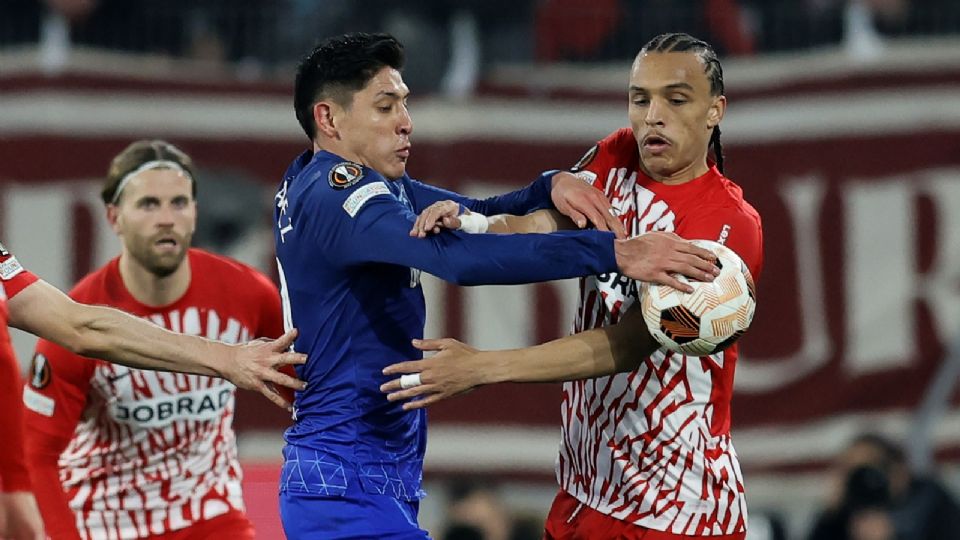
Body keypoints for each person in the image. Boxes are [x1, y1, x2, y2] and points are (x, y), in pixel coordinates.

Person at [274, 32, 720, 539]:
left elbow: (479, 217)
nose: (405, 121)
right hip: (345, 483)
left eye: (404, 103)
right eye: (384, 106)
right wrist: (615, 252)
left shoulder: (341, 180)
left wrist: (547, 184)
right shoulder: (341, 197)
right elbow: (461, 260)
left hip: (363, 475)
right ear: (328, 118)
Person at [382, 32, 764, 539]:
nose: (653, 116)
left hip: (675, 507)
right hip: (585, 489)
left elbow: (627, 345)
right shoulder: (618, 154)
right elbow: (547, 226)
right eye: (639, 97)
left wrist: (484, 366)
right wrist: (472, 222)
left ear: (715, 109)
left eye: (676, 99)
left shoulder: (726, 224)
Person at [17, 140, 285, 539]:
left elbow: (308, 386)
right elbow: (38, 453)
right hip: (108, 522)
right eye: (147, 205)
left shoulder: (248, 294)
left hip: (212, 515)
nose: (166, 219)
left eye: (179, 203)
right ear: (114, 217)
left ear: (195, 213)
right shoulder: (75, 324)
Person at [807, 433, 960, 540]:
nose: (861, 482)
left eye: (868, 470)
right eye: (850, 470)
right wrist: (830, 516)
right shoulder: (842, 515)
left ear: (898, 471)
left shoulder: (931, 504)